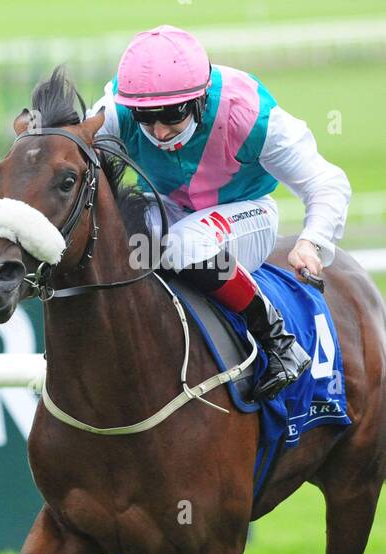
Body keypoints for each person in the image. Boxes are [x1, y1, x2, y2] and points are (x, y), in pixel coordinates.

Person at [89, 24, 351, 399]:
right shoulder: (117, 108)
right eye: (146, 119)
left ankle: (279, 341)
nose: (159, 132)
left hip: (245, 214)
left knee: (183, 245)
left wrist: (312, 242)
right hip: (164, 208)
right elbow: (71, 153)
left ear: (199, 100)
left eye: (173, 115)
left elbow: (326, 182)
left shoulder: (248, 113)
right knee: (114, 236)